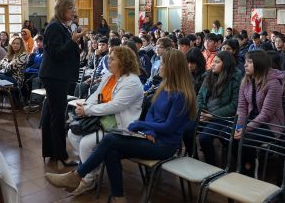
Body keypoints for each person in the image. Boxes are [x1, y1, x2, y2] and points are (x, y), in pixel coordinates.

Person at [45, 50, 196, 203]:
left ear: (173, 68)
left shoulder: (181, 95)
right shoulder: (164, 88)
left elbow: (169, 127)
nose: (159, 67)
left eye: (163, 64)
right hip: (152, 137)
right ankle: (118, 197)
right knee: (111, 152)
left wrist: (141, 124)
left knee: (110, 140)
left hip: (165, 145)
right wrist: (149, 130)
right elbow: (151, 113)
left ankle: (77, 175)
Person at [66, 46, 144, 195]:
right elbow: (97, 95)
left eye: (113, 58)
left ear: (124, 62)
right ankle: (93, 167)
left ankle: (88, 179)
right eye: (109, 57)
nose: (109, 61)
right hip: (101, 119)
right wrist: (86, 107)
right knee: (72, 134)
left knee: (85, 143)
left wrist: (88, 110)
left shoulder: (132, 82)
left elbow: (115, 106)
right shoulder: (110, 76)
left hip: (119, 125)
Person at [39, 0, 86, 166]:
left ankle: (51, 150)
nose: (73, 11)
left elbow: (73, 51)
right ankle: (60, 154)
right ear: (61, 10)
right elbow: (56, 53)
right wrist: (72, 41)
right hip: (54, 76)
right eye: (70, 8)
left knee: (52, 112)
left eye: (73, 8)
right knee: (58, 115)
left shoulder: (63, 27)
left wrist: (78, 39)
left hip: (59, 75)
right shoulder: (54, 27)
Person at [184, 51, 242, 165]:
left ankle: (210, 165)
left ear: (225, 64)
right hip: (205, 113)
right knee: (186, 130)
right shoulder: (209, 75)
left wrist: (212, 115)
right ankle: (194, 160)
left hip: (222, 117)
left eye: (217, 62)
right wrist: (202, 111)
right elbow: (200, 96)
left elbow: (234, 105)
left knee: (204, 138)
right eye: (213, 61)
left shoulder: (235, 79)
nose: (212, 64)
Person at [234, 50, 285, 176]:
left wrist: (246, 128)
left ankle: (250, 171)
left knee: (245, 140)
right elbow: (241, 107)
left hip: (270, 125)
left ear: (260, 64)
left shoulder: (273, 83)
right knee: (232, 136)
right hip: (250, 121)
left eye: (249, 62)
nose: (245, 65)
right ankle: (241, 167)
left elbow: (266, 113)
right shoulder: (246, 80)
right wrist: (239, 126)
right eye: (245, 62)